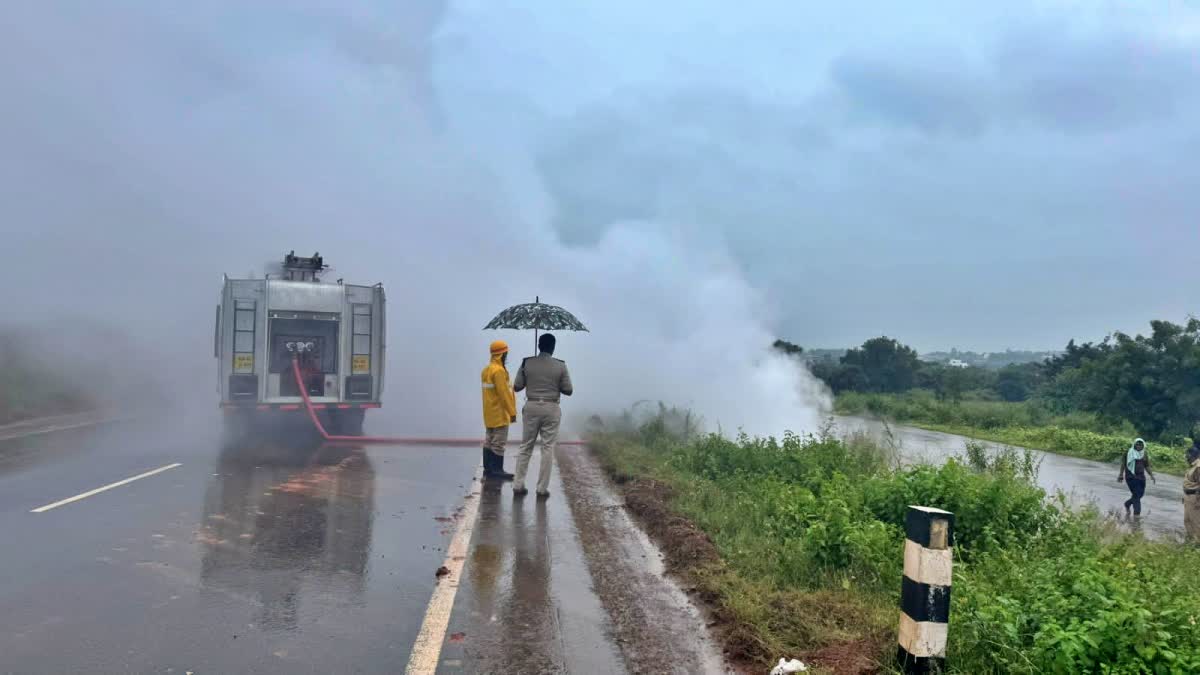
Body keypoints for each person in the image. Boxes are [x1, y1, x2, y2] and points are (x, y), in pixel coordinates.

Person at [512, 333, 573, 498]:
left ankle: (518, 484)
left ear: (539, 346)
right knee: (547, 448)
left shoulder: (526, 362)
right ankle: (541, 488)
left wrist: (529, 374)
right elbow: (568, 390)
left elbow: (517, 386)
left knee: (526, 446)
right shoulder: (561, 365)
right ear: (553, 347)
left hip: (531, 406)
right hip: (551, 408)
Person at [480, 340, 517, 481]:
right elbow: (504, 394)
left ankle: (488, 469)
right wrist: (512, 412)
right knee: (499, 442)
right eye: (505, 353)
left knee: (489, 440)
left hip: (489, 412)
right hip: (500, 412)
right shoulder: (499, 371)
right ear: (502, 354)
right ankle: (497, 470)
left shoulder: (486, 370)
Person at [1117, 437, 1155, 518]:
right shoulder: (1128, 452)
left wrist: (1151, 475)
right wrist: (1120, 475)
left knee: (1140, 494)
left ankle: (1127, 503)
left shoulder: (1144, 453)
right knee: (1137, 495)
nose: (1138, 446)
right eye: (1137, 444)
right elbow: (1123, 464)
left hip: (1141, 477)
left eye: (1140, 444)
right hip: (1131, 477)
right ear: (1134, 444)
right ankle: (1136, 515)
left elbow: (1147, 465)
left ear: (1143, 445)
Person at [1184, 440, 1200, 541]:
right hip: (1189, 497)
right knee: (1187, 520)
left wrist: (1198, 499)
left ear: (1193, 455)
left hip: (1195, 498)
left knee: (1195, 522)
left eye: (1187, 455)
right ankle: (1190, 542)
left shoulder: (1198, 467)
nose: (1186, 457)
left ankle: (1197, 544)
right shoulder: (1193, 466)